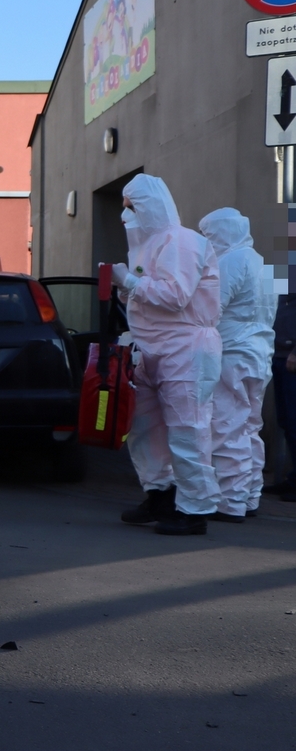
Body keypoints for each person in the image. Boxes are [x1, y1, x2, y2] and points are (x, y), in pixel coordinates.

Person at [114, 175, 222, 535]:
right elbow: (145, 298)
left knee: (187, 429)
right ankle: (159, 495)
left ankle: (195, 509)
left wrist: (129, 282)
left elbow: (175, 296)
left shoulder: (182, 241)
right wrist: (126, 290)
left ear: (152, 206)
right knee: (144, 429)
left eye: (132, 206)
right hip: (150, 348)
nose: (125, 214)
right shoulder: (144, 246)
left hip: (186, 348)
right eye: (125, 205)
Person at [197, 209, 276, 522]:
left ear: (220, 232)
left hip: (231, 354)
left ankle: (230, 503)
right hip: (259, 356)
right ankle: (250, 496)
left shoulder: (230, 261)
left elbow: (210, 309)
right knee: (249, 428)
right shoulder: (262, 264)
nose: (207, 242)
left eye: (208, 235)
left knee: (227, 427)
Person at [271, 296, 296, 500]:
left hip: (291, 359)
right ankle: (293, 479)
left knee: (294, 422)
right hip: (278, 355)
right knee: (286, 421)